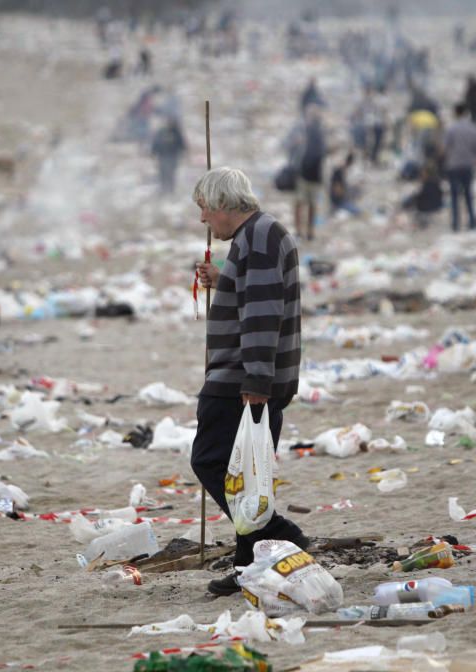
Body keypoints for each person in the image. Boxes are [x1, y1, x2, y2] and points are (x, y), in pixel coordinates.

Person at [191, 167, 310, 597]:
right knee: (249, 474)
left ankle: (278, 532)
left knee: (211, 460)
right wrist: (224, 280)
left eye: (205, 209)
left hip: (243, 377)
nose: (204, 219)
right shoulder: (256, 237)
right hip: (247, 374)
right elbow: (257, 293)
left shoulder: (258, 238)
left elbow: (263, 314)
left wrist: (257, 380)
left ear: (223, 205)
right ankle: (248, 565)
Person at [285, 105, 326, 241]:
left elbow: (323, 152)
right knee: (301, 203)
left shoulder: (318, 132)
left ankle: (308, 232)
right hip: (304, 175)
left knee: (309, 205)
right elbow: (289, 146)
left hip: (313, 176)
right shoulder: (301, 131)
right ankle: (300, 231)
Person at [443, 102, 476, 231]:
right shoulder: (473, 128)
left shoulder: (451, 129)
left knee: (454, 196)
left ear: (455, 113)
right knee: (468, 195)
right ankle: (472, 221)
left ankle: (456, 224)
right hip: (468, 164)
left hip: (454, 165)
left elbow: (446, 147)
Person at [151, 116, 186, 195]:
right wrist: (153, 152)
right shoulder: (161, 132)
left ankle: (170, 190)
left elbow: (182, 145)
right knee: (163, 173)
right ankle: (164, 189)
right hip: (163, 157)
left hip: (172, 157)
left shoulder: (176, 133)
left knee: (170, 173)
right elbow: (156, 143)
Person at [329, 151, 361, 215]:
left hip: (341, 200)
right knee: (357, 211)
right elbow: (337, 191)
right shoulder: (338, 173)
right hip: (338, 202)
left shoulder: (340, 172)